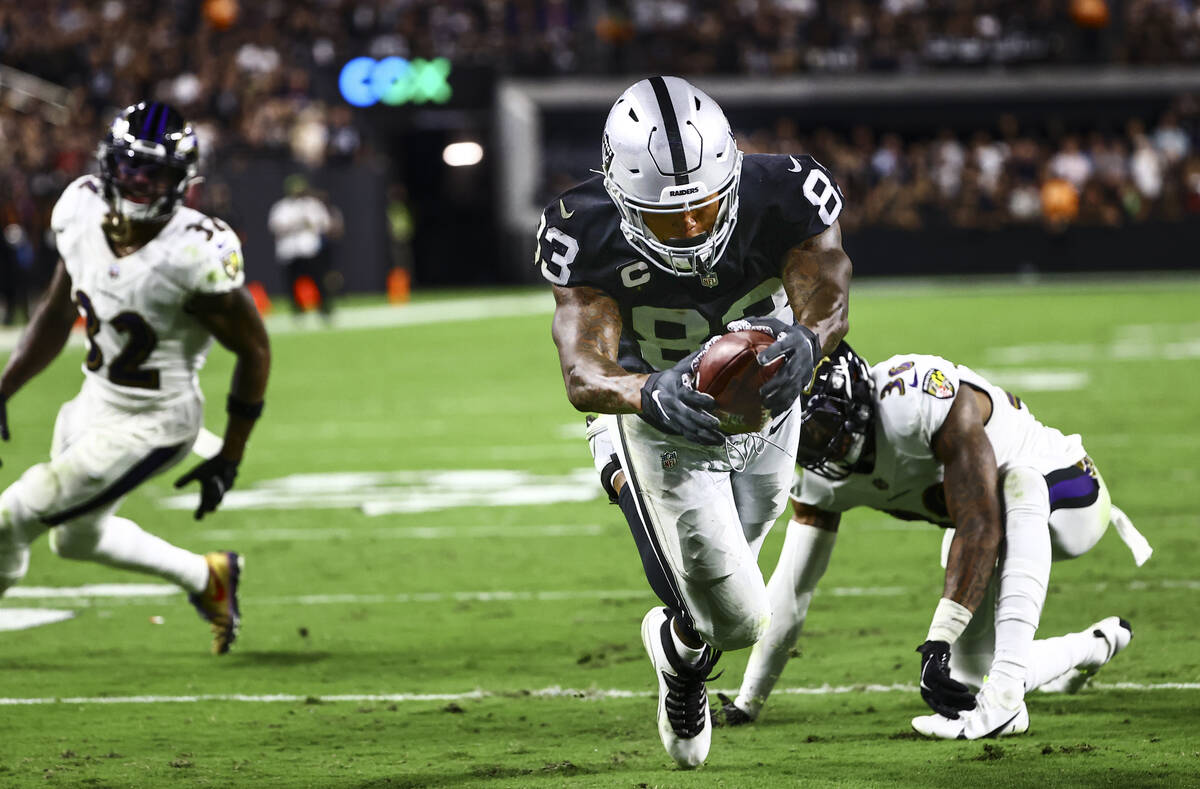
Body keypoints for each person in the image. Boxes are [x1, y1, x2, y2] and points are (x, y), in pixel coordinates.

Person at [540, 76, 853, 768]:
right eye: (663, 217)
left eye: (704, 208)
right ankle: (692, 644)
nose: (690, 229)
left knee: (727, 572)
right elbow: (581, 370)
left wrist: (806, 338)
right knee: (738, 616)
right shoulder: (581, 227)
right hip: (653, 410)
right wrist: (646, 392)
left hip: (766, 396)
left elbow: (828, 288)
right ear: (622, 198)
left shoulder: (785, 191)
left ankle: (680, 651)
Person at [718, 343, 1152, 738]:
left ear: (853, 399)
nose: (820, 445)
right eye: (804, 433)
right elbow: (794, 586)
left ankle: (1005, 700)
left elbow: (981, 523)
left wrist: (938, 640)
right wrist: (748, 700)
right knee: (969, 677)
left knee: (1020, 484)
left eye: (823, 424)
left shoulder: (917, 398)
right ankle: (1093, 646)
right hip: (983, 533)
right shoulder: (813, 477)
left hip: (1070, 496)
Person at [0, 102, 271, 655]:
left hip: (156, 421)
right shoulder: (78, 208)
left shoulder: (195, 250)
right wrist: (4, 386)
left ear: (182, 181)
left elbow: (255, 350)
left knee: (13, 515)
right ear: (109, 163)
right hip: (93, 403)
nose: (142, 181)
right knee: (77, 540)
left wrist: (232, 453)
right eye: (132, 166)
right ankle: (209, 578)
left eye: (159, 172)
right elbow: (56, 312)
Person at [267, 173, 337, 319]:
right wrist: (295, 224)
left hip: (308, 249)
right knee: (292, 281)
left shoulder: (312, 205)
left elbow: (325, 224)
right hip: (290, 250)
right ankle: (297, 309)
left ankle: (324, 307)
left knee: (317, 278)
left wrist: (310, 224)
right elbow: (275, 227)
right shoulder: (281, 207)